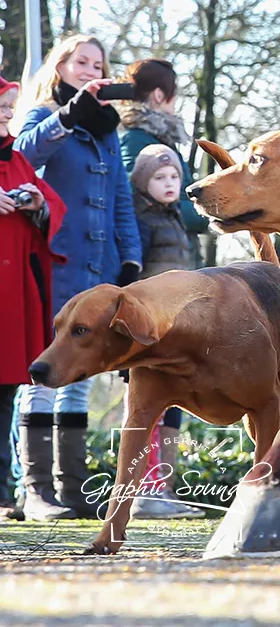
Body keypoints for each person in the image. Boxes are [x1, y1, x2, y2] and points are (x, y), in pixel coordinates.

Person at [13, 34, 143, 520]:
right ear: (61, 66)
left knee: (81, 377)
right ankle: (36, 491)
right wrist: (65, 118)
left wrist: (129, 259)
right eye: (81, 61)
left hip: (100, 266)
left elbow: (121, 201)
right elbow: (21, 154)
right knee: (42, 373)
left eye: (98, 64)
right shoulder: (43, 114)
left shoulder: (109, 129)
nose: (90, 69)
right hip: (52, 261)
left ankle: (71, 489)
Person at [126, 144, 206, 518]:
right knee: (149, 408)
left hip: (179, 327)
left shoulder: (177, 218)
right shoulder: (140, 222)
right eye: (159, 178)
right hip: (148, 329)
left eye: (174, 176)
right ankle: (144, 487)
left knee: (174, 406)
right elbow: (134, 277)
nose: (170, 183)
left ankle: (164, 486)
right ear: (143, 183)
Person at [0, 75, 67, 521]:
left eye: (11, 108)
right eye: (2, 108)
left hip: (10, 296)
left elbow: (52, 204)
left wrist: (34, 203)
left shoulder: (19, 159)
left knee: (4, 396)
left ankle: (3, 494)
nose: (9, 115)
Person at [117, 58, 208, 269]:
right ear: (159, 95)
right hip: (158, 261)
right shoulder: (137, 140)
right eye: (174, 95)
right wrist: (202, 212)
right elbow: (137, 200)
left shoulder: (161, 138)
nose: (175, 102)